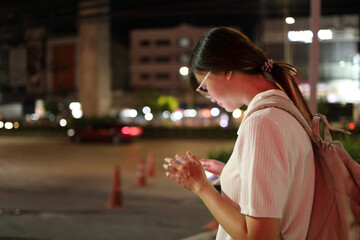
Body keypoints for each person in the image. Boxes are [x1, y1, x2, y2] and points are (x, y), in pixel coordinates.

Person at [163, 26, 315, 240]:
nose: (208, 96)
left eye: (204, 87)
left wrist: (200, 186)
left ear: (225, 69)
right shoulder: (283, 108)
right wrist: (231, 173)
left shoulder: (262, 123)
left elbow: (258, 237)